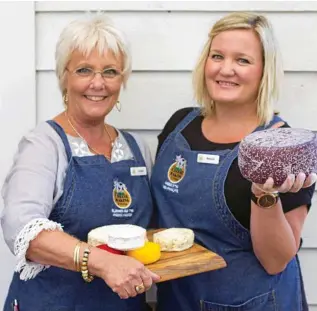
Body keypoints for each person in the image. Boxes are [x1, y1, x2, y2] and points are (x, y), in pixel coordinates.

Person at [151, 12, 316, 311]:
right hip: (178, 299)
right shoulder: (179, 125)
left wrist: (264, 194)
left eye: (242, 60)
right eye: (218, 56)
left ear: (264, 71)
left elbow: (276, 260)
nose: (226, 69)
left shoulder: (283, 146)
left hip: (253, 303)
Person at [1, 14, 159, 311]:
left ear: (122, 80)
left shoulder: (136, 147)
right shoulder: (44, 144)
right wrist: (100, 262)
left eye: (110, 71)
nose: (97, 83)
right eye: (84, 70)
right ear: (64, 77)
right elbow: (22, 229)